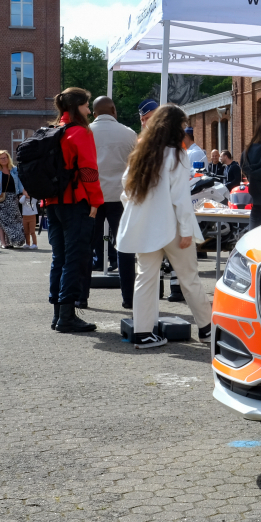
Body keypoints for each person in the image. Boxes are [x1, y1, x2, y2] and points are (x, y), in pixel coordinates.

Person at [117, 104, 213, 349]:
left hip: (144, 226)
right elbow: (180, 198)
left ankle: (142, 333)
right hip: (172, 226)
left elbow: (126, 189)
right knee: (189, 277)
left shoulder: (141, 152)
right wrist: (186, 231)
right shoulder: (176, 155)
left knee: (145, 278)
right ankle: (206, 329)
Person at [44, 87, 104, 334]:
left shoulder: (53, 130)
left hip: (51, 202)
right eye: (86, 105)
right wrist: (95, 202)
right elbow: (89, 170)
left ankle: (58, 314)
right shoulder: (80, 132)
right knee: (74, 259)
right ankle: (67, 316)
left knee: (59, 258)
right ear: (77, 106)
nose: (89, 110)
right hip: (75, 202)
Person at [87, 95, 138, 309]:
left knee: (86, 247)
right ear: (114, 110)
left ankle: (81, 296)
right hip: (120, 197)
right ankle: (128, 297)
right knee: (125, 247)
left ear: (94, 111)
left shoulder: (86, 132)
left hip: (92, 198)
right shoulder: (129, 134)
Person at [0, 151, 26, 249]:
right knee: (2, 221)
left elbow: (20, 182)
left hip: (12, 197)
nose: (4, 160)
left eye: (6, 157)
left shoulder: (14, 169)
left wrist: (22, 192)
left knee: (14, 220)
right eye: (1, 158)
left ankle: (14, 241)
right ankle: (3, 243)